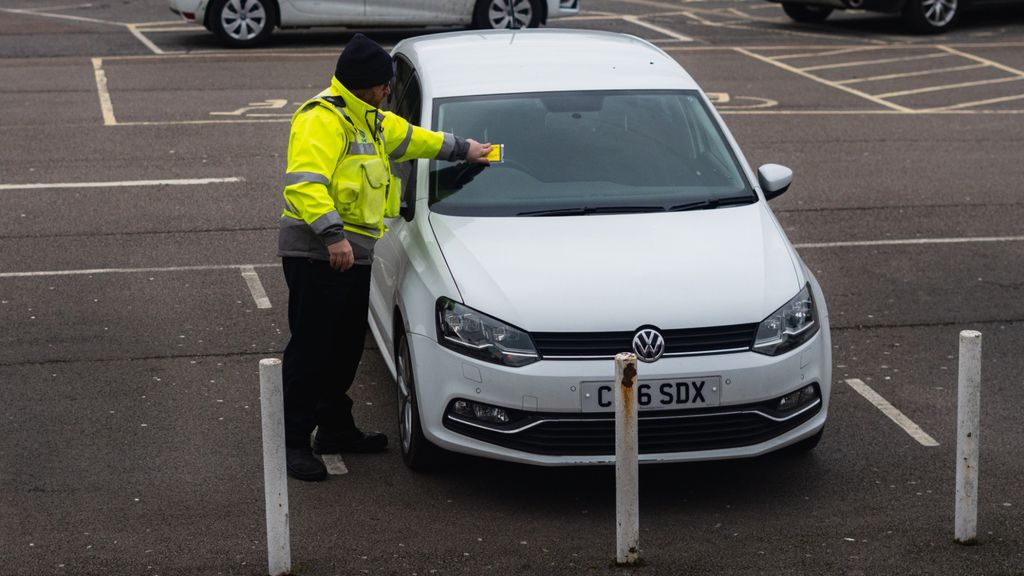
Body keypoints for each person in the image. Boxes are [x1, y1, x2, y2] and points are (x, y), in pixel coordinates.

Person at [278, 33, 492, 481]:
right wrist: (332, 236)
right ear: (362, 85)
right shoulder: (322, 119)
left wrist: (467, 150)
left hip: (351, 256)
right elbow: (304, 184)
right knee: (312, 350)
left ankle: (335, 429)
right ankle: (294, 443)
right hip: (318, 255)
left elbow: (416, 139)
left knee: (342, 350)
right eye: (383, 84)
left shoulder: (371, 119)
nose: (389, 91)